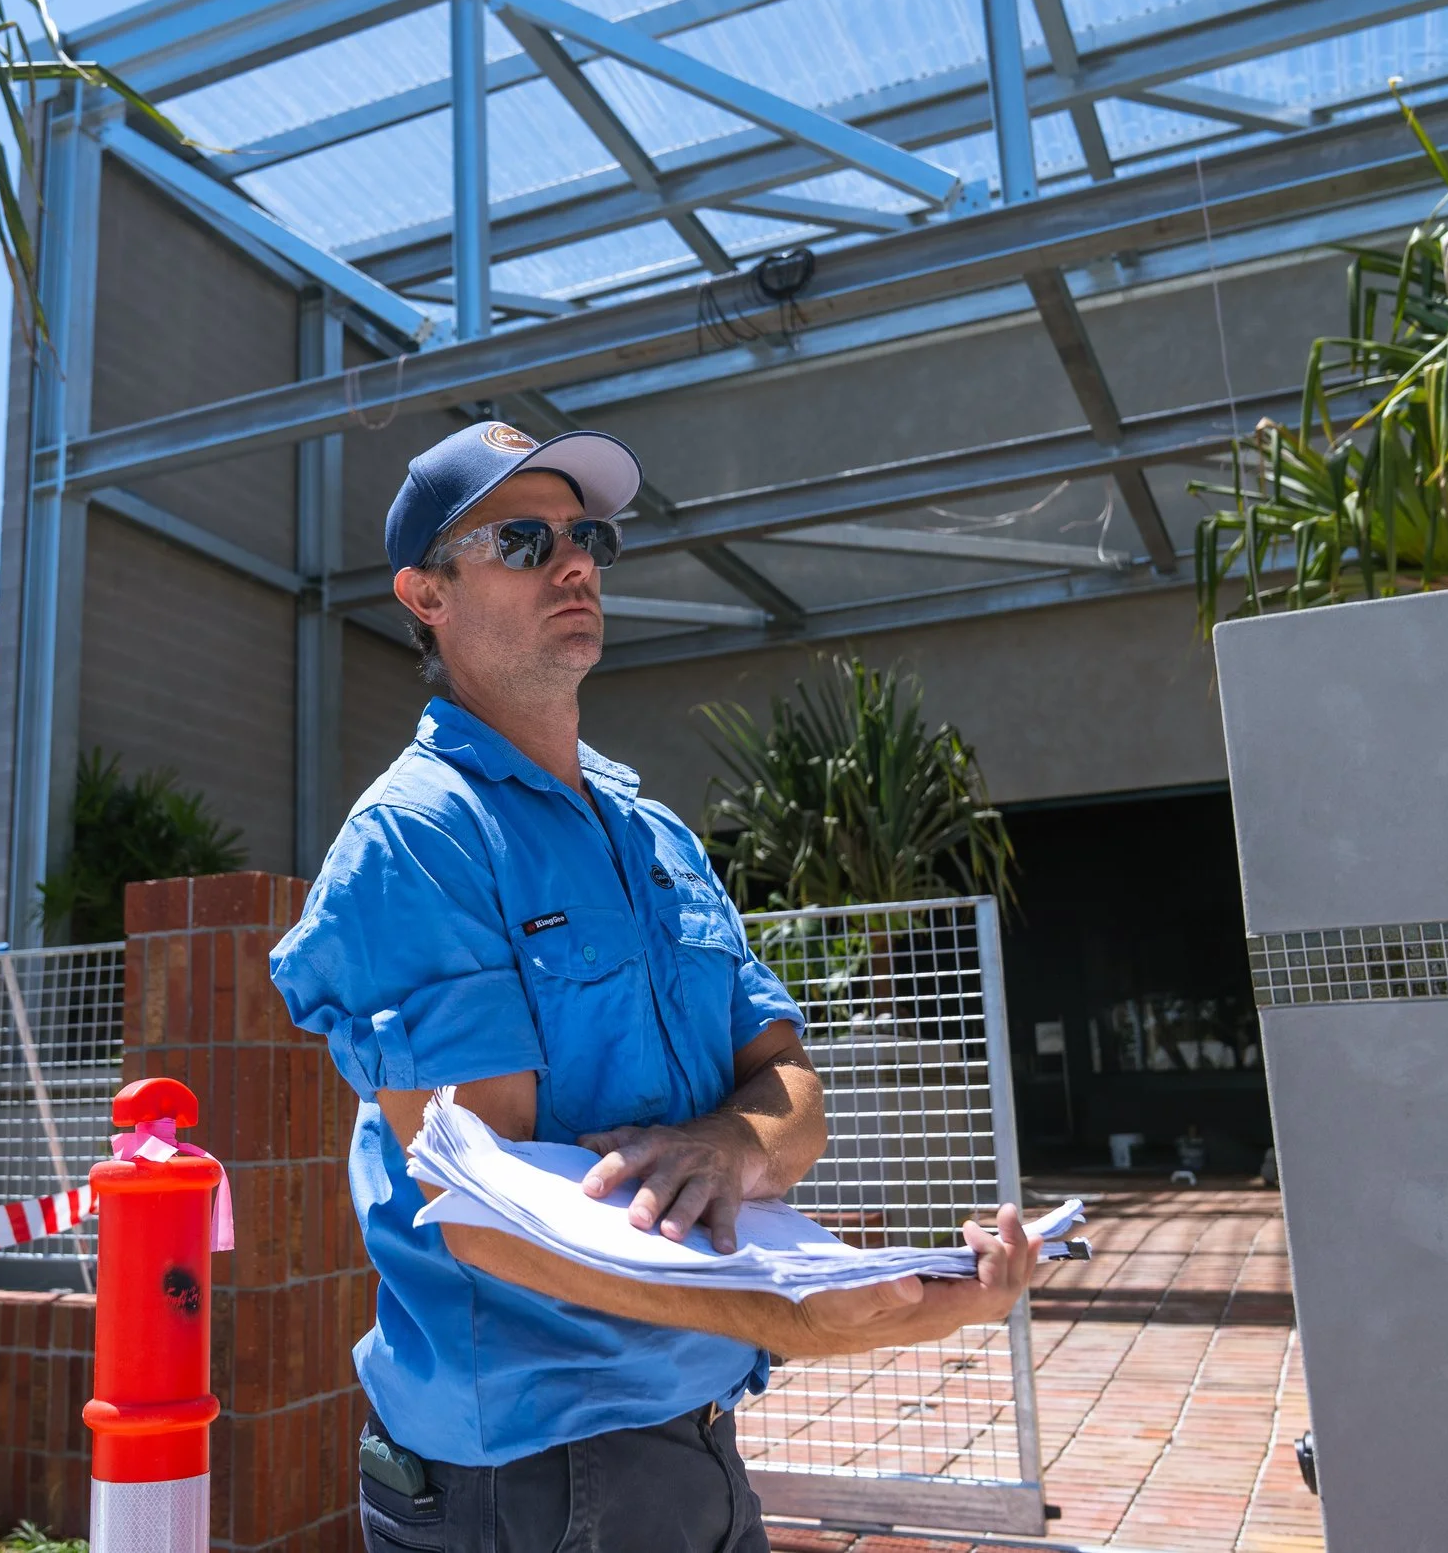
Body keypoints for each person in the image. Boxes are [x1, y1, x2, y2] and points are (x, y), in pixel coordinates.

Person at [269, 420, 1042, 1553]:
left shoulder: (654, 830)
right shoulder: (417, 838)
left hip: (697, 1436)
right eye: (522, 538)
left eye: (589, 536)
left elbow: (789, 1087)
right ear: (425, 593)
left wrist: (733, 1145)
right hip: (530, 1476)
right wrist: (817, 1320)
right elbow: (487, 1211)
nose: (574, 560)